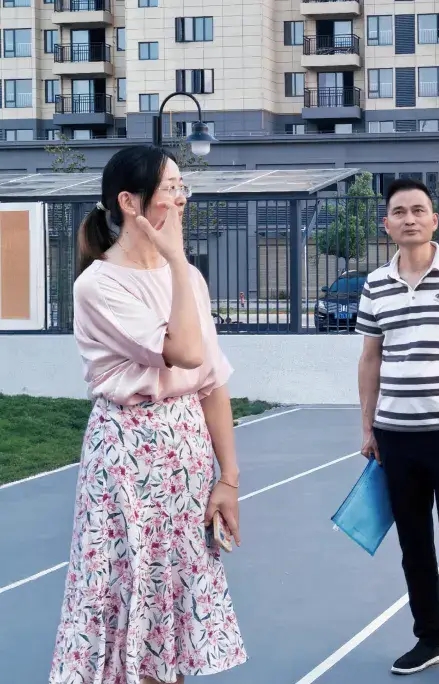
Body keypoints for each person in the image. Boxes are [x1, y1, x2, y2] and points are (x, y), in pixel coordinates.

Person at [50, 145, 247, 684]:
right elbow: (183, 351)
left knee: (174, 603)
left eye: (183, 188)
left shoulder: (189, 279)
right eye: (171, 188)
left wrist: (228, 478)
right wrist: (178, 261)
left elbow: (211, 382)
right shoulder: (99, 285)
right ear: (130, 202)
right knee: (125, 589)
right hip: (126, 457)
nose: (182, 199)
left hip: (186, 453)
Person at [356, 178, 439, 684]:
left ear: (434, 220)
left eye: (418, 210)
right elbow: (371, 359)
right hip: (396, 436)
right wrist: (368, 426)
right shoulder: (375, 284)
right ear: (386, 224)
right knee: (414, 546)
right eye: (399, 211)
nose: (409, 218)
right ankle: (429, 639)